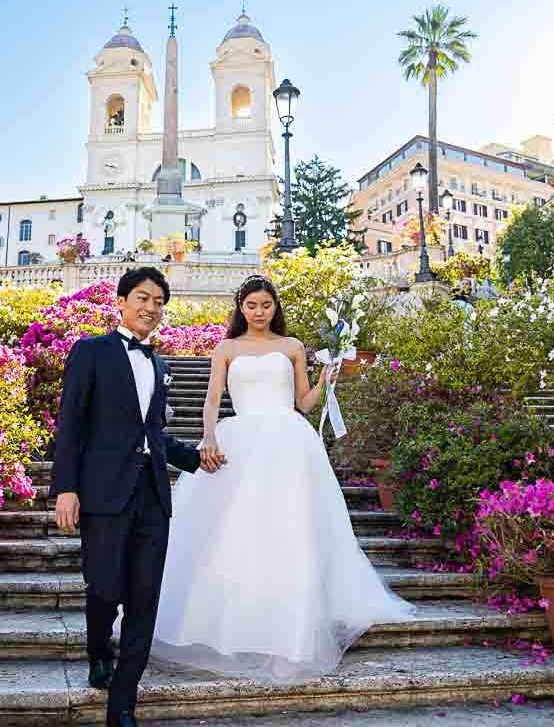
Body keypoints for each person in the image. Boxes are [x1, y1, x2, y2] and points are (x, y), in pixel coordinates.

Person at [151, 274, 416, 682]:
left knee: (290, 531)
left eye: (266, 305)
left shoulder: (292, 347)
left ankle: (293, 635)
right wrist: (208, 436)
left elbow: (304, 403)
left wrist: (328, 376)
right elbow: (211, 399)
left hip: (289, 443)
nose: (259, 312)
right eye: (252, 305)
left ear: (276, 307)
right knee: (236, 533)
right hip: (239, 442)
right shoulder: (226, 348)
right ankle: (232, 625)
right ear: (241, 308)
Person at [50, 267, 218, 727]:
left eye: (159, 301)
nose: (151, 308)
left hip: (152, 494)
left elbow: (153, 433)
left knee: (145, 597)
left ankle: (122, 703)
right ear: (121, 301)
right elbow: (71, 424)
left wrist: (196, 456)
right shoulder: (91, 351)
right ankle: (99, 649)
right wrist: (66, 488)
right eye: (143, 298)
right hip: (103, 492)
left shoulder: (159, 363)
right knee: (104, 588)